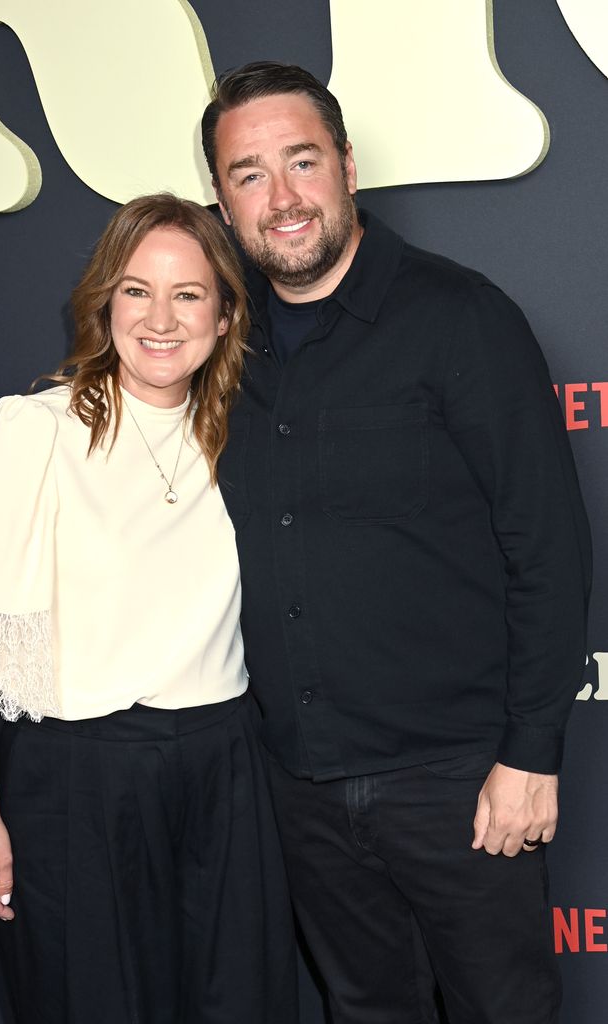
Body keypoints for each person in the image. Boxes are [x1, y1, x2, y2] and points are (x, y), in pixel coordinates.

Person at [200, 62, 592, 1024]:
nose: (282, 197)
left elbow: (545, 545)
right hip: (298, 781)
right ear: (221, 198)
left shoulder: (459, 318)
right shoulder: (218, 344)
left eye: (301, 161)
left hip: (459, 781)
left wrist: (530, 755)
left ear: (347, 166)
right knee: (365, 1011)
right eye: (249, 174)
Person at [0, 193, 298, 1024]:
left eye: (188, 293)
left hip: (226, 768)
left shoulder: (244, 432)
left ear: (225, 311)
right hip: (78, 777)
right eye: (136, 290)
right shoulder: (32, 431)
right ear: (104, 302)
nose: (160, 318)